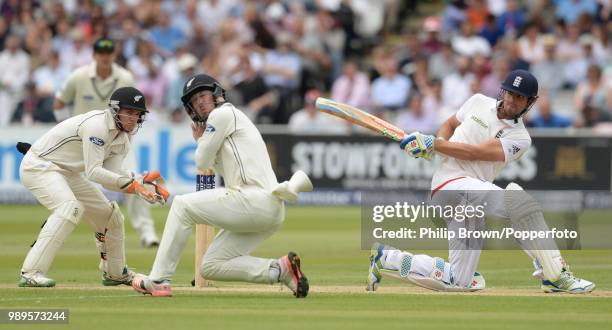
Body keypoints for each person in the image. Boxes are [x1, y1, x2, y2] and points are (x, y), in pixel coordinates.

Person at [367, 70, 595, 294]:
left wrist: (433, 145)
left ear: (530, 102)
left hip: (472, 196)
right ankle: (554, 275)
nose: (512, 101)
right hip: (449, 185)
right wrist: (435, 144)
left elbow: (475, 152)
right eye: (510, 93)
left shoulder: (520, 138)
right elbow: (448, 124)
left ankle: (386, 258)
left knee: (458, 281)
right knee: (519, 201)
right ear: (502, 91)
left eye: (520, 97)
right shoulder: (477, 101)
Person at [131, 74, 313, 298]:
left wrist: (200, 142)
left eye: (203, 95)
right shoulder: (229, 121)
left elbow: (201, 161)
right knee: (211, 265)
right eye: (194, 100)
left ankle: (158, 280)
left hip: (254, 200)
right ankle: (281, 270)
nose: (199, 102)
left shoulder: (223, 114)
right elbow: (216, 164)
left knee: (181, 205)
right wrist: (203, 143)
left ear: (217, 95)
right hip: (269, 209)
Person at [18, 87, 168, 287]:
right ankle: (31, 272)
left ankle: (115, 273)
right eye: (129, 112)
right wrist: (132, 184)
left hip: (67, 172)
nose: (134, 118)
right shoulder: (97, 126)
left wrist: (140, 182)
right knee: (70, 207)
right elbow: (93, 172)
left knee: (111, 217)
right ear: (115, 109)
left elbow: (111, 178)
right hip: (39, 166)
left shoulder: (122, 139)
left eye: (138, 114)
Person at [54, 38, 160, 247]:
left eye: (109, 52)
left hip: (118, 140)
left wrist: (126, 136)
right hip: (85, 143)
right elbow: (59, 103)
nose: (104, 56)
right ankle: (80, 234)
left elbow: (135, 110)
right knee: (74, 188)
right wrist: (67, 128)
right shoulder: (79, 75)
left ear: (114, 55)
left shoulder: (125, 76)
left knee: (134, 179)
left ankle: (147, 233)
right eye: (100, 52)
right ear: (94, 55)